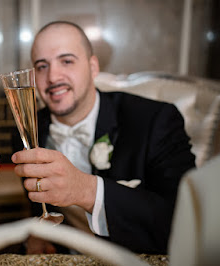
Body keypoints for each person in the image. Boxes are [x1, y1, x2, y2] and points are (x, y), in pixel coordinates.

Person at [11, 21, 196, 254]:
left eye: (66, 61)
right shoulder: (27, 131)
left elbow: (187, 222)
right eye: (41, 66)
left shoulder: (156, 121)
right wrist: (40, 237)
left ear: (93, 66)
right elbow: (39, 210)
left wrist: (86, 189)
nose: (52, 76)